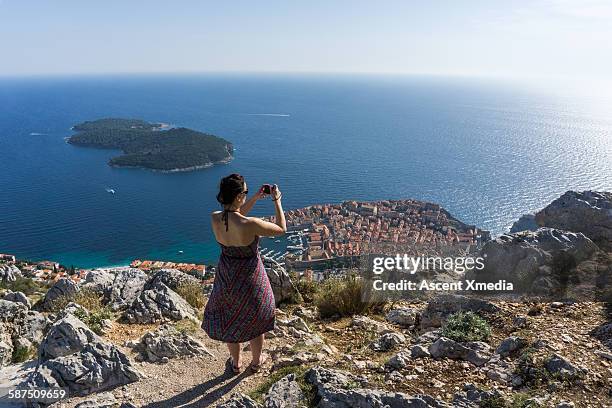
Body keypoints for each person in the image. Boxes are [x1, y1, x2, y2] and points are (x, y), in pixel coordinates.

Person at [202, 173, 287, 374]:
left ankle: (236, 363)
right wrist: (277, 201)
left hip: (226, 276)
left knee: (230, 318)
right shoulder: (251, 224)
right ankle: (256, 363)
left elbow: (234, 216)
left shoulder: (215, 218)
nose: (247, 195)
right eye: (246, 192)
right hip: (250, 277)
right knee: (255, 319)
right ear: (239, 196)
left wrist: (255, 198)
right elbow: (281, 229)